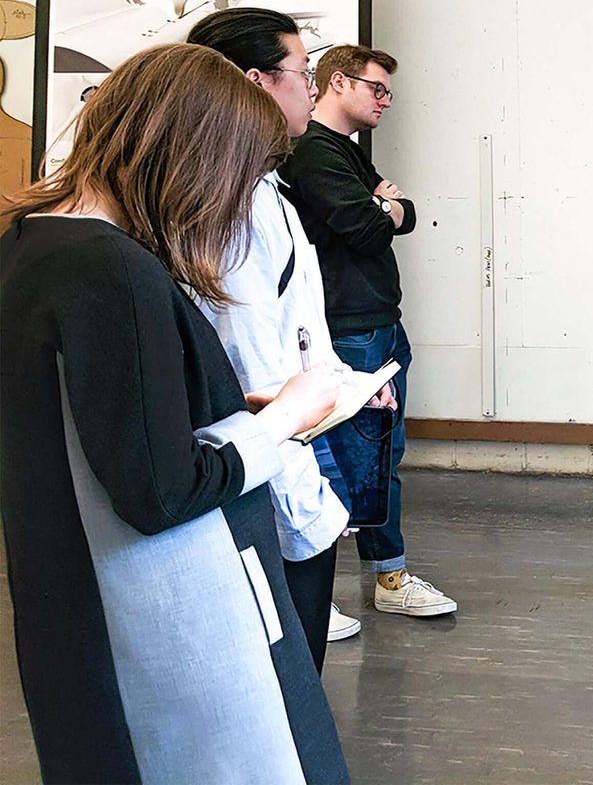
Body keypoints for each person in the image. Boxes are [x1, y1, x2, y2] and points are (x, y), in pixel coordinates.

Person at [0, 43, 349, 784]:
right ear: (197, 155)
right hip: (169, 625)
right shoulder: (110, 268)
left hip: (77, 608)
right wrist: (283, 418)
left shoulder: (32, 245)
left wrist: (223, 408)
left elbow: (103, 424)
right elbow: (160, 490)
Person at [188, 7, 395, 657]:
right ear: (255, 82)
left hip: (276, 469)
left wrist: (348, 385)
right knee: (286, 671)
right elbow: (255, 370)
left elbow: (293, 334)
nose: (312, 87)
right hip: (261, 483)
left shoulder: (261, 190)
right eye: (302, 72)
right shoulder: (233, 209)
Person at [281, 44, 457, 618]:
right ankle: (320, 595)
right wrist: (385, 207)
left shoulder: (346, 153)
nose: (384, 100)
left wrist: (388, 207)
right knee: (342, 465)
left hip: (379, 325)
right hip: (349, 331)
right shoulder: (313, 153)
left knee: (379, 463)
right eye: (376, 88)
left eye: (387, 91)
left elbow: (404, 212)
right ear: (338, 83)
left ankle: (387, 578)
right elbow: (367, 225)